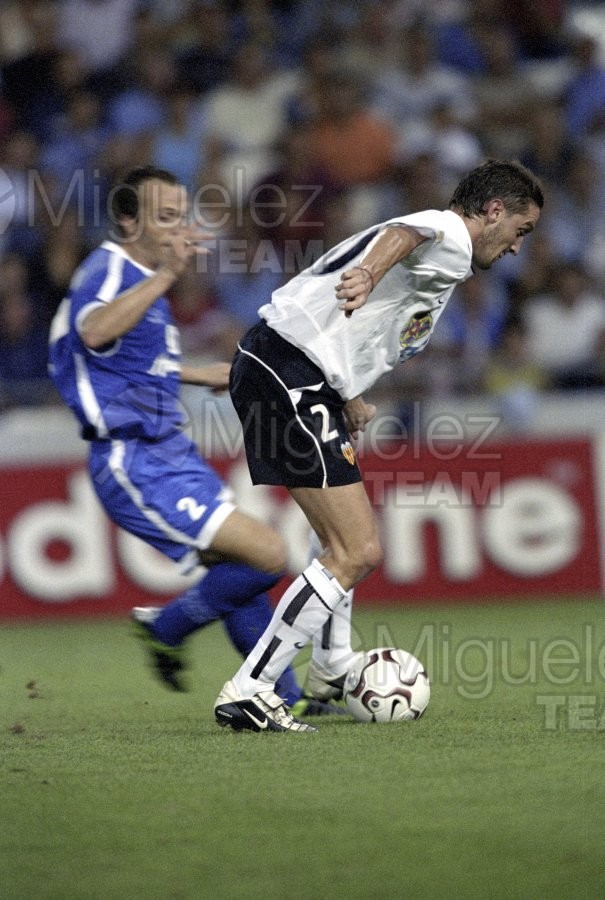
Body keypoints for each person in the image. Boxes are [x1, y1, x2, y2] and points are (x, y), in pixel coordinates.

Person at [214, 158, 544, 732]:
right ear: (493, 212)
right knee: (358, 550)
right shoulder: (448, 235)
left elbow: (371, 319)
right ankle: (251, 687)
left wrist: (350, 392)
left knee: (336, 542)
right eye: (521, 230)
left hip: (290, 368)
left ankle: (332, 666)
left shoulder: (444, 261)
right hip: (290, 370)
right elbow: (401, 235)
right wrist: (368, 273)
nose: (517, 247)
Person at [48, 165, 337, 729]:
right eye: (164, 216)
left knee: (242, 568)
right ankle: (167, 628)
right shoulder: (112, 270)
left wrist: (189, 372)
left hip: (170, 450)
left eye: (182, 214)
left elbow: (118, 360)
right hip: (133, 458)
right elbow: (93, 331)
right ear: (129, 221)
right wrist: (167, 274)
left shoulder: (141, 277)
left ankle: (285, 693)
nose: (179, 226)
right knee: (270, 555)